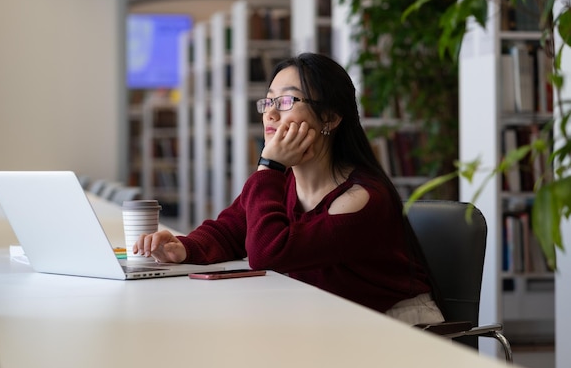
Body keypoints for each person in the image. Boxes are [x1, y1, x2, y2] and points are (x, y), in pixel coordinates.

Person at [134, 52, 444, 325]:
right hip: (330, 318)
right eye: (268, 101)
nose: (270, 113)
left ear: (331, 117)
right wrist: (185, 247)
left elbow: (269, 252)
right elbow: (229, 230)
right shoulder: (284, 183)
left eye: (286, 101)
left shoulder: (360, 198)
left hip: (397, 328)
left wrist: (269, 166)